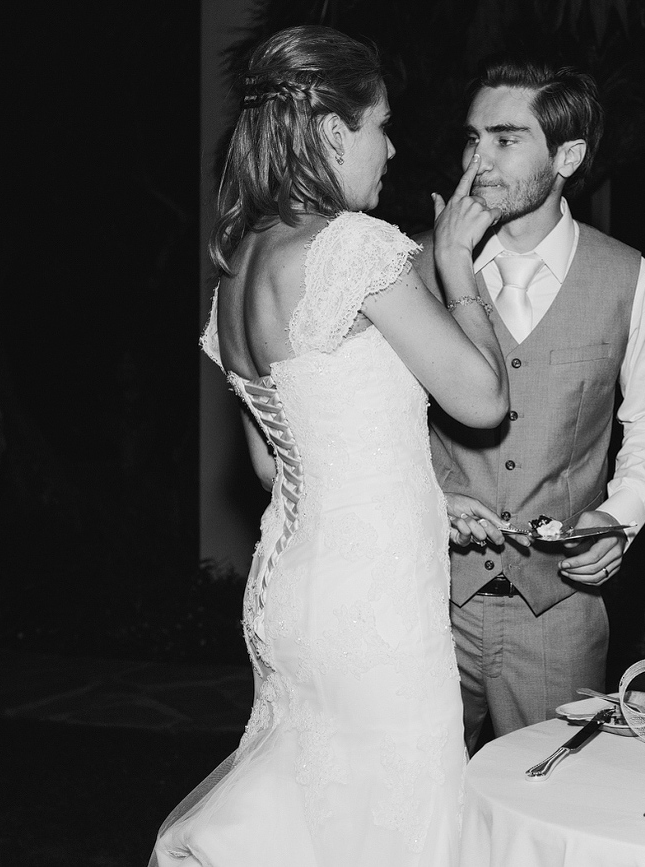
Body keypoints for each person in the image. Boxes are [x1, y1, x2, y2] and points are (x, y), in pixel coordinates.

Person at [153, 25, 508, 866]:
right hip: (373, 600)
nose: (390, 148)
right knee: (396, 823)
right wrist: (454, 265)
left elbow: (278, 464)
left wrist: (425, 495)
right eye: (380, 124)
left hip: (291, 593)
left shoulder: (239, 265)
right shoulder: (354, 245)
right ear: (330, 132)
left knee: (320, 822)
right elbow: (484, 399)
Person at [413, 60, 645, 755]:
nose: (479, 162)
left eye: (505, 140)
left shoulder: (627, 275)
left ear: (567, 156)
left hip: (557, 608)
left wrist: (619, 515)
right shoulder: (413, 270)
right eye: (473, 140)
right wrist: (428, 492)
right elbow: (379, 418)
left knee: (549, 801)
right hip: (422, 594)